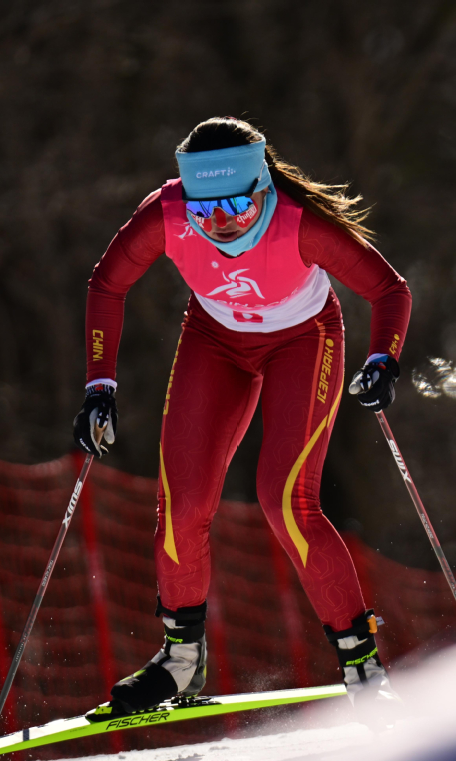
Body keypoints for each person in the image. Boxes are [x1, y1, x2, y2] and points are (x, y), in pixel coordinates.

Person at [72, 117, 410, 719]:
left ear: (262, 188)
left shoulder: (298, 224)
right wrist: (100, 385)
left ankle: (361, 660)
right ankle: (180, 660)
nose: (221, 221)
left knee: (285, 499)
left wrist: (383, 359)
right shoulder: (166, 215)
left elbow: (389, 290)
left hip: (303, 339)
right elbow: (106, 284)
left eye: (235, 204)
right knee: (182, 505)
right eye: (205, 209)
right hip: (215, 339)